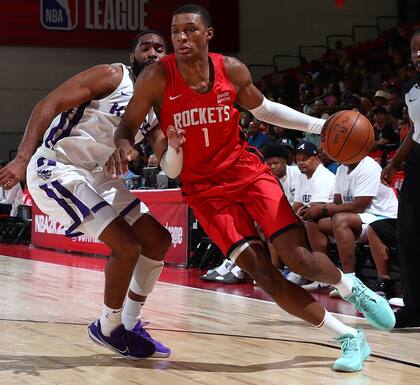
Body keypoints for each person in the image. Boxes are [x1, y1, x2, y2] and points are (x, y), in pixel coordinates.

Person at [109, 4, 395, 371]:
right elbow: (132, 133)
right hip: (205, 192)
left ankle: (350, 287)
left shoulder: (230, 69)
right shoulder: (155, 78)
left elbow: (266, 110)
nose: (181, 37)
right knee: (265, 274)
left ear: (208, 34)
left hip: (247, 174)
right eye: (175, 31)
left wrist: (319, 126)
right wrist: (131, 145)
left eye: (190, 30)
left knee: (300, 259)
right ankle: (348, 337)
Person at [0, 30, 173, 358]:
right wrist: (22, 159)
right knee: (127, 245)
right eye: (145, 47)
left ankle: (130, 321)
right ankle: (108, 327)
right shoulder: (112, 75)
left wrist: (177, 149)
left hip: (99, 177)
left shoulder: (155, 105)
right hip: (57, 168)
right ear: (132, 54)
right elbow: (47, 103)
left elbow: (163, 151)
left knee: (158, 240)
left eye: (159, 48)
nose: (152, 52)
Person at [301, 155, 398, 297]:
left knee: (340, 219)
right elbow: (338, 203)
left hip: (382, 217)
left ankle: (350, 282)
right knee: (313, 222)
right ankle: (326, 276)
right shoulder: (341, 169)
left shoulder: (368, 166)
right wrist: (317, 207)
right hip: (359, 218)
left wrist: (323, 209)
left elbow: (360, 205)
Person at [382, 29, 420, 328]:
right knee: (407, 234)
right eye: (413, 50)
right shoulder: (410, 89)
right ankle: (414, 306)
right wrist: (393, 163)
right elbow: (413, 132)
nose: (417, 54)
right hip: (418, 161)